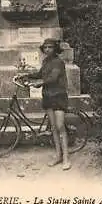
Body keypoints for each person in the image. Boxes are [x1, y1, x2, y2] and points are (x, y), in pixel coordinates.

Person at [22, 38, 71, 170]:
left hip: (59, 96)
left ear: (55, 49)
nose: (47, 49)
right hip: (48, 96)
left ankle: (66, 158)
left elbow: (53, 78)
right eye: (45, 47)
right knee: (54, 127)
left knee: (60, 126)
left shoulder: (59, 62)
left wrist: (40, 83)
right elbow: (40, 74)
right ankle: (58, 156)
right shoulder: (45, 62)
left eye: (50, 47)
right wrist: (26, 75)